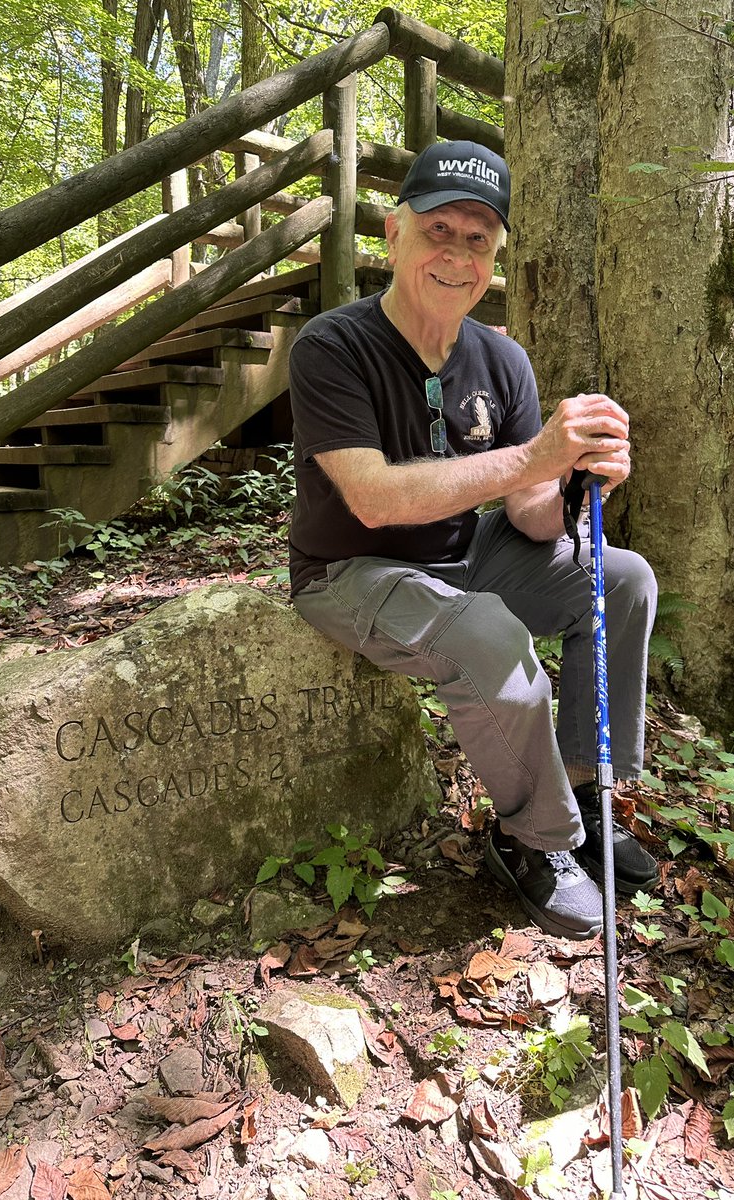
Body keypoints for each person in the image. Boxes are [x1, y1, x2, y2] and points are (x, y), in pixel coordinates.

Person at [287, 140, 659, 940]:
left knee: (623, 579)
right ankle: (536, 842)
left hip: (465, 555)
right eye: (439, 230)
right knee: (488, 634)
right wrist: (532, 454)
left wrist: (574, 478)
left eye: (478, 238)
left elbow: (529, 516)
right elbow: (374, 499)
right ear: (395, 233)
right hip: (351, 569)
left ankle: (592, 796)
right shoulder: (332, 345)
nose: (457, 254)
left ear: (495, 256)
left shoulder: (502, 357)